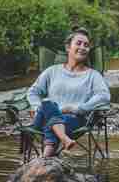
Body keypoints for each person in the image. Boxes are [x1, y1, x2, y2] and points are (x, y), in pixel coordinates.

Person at [26, 27, 110, 157]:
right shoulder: (52, 71)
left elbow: (104, 96)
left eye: (86, 45)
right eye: (78, 43)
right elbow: (33, 91)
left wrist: (78, 109)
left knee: (53, 119)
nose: (83, 47)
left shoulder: (93, 75)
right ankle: (63, 141)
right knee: (48, 104)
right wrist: (36, 106)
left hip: (74, 120)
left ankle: (45, 158)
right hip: (46, 115)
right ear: (67, 47)